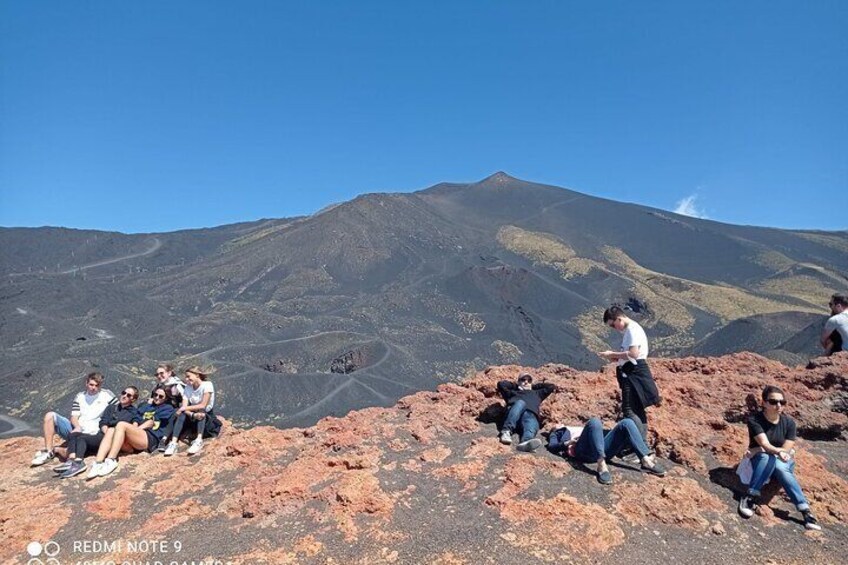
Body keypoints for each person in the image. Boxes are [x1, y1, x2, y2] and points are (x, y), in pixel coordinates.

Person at [737, 385, 821, 531]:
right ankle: (750, 497)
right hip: (761, 460)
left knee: (781, 467)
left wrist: (757, 449)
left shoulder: (789, 423)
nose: (778, 406)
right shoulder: (755, 420)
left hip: (778, 460)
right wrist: (764, 449)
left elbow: (786, 449)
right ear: (763, 403)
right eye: (773, 402)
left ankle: (805, 510)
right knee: (766, 458)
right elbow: (766, 444)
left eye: (782, 402)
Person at [598, 306, 661, 441]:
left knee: (629, 409)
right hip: (631, 370)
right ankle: (640, 443)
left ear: (619, 319)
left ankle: (638, 443)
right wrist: (616, 357)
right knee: (637, 408)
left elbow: (633, 354)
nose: (615, 328)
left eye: (613, 325)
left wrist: (612, 354)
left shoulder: (632, 330)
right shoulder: (630, 331)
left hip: (633, 372)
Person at [86, 385, 175, 479]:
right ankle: (98, 463)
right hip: (135, 440)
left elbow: (151, 422)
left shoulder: (167, 408)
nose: (157, 397)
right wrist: (134, 428)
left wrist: (136, 429)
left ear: (166, 399)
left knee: (121, 424)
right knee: (111, 429)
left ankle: (111, 460)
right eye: (155, 394)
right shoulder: (146, 406)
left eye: (161, 396)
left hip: (149, 438)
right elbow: (136, 417)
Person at [31, 372, 116, 467]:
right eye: (91, 384)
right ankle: (48, 451)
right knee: (50, 416)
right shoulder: (80, 397)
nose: (93, 388)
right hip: (76, 430)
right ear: (86, 383)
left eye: (97, 385)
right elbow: (74, 416)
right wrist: (77, 426)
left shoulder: (107, 396)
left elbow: (119, 409)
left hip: (92, 434)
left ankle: (58, 450)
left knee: (72, 453)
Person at [54, 386, 140, 478]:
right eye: (124, 393)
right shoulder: (111, 407)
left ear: (133, 399)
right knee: (75, 434)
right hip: (103, 435)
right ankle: (72, 460)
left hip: (116, 439)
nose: (124, 396)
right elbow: (103, 422)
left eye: (129, 395)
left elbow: (134, 427)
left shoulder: (134, 412)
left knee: (82, 438)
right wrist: (107, 433)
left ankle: (78, 463)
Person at [549, 417, 667, 484]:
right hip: (582, 450)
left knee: (626, 423)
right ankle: (601, 465)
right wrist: (567, 443)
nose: (557, 423)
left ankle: (645, 459)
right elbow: (552, 446)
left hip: (601, 447)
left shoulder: (574, 427)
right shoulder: (557, 433)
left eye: (558, 422)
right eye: (554, 423)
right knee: (594, 421)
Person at [163, 366, 217, 456]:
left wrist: (184, 409)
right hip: (192, 414)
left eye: (188, 376)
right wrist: (192, 414)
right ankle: (173, 442)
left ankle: (198, 440)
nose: (187, 379)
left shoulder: (207, 385)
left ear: (197, 375)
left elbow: (203, 404)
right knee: (180, 414)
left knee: (201, 410)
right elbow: (184, 406)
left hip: (206, 415)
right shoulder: (188, 387)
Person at [496, 372, 555, 452]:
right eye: (523, 380)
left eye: (529, 380)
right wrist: (516, 386)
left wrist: (532, 386)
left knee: (533, 421)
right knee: (521, 403)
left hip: (530, 415)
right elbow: (501, 384)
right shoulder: (512, 392)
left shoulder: (537, 393)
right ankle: (506, 432)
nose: (526, 382)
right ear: (519, 382)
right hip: (514, 414)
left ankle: (526, 442)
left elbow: (551, 387)